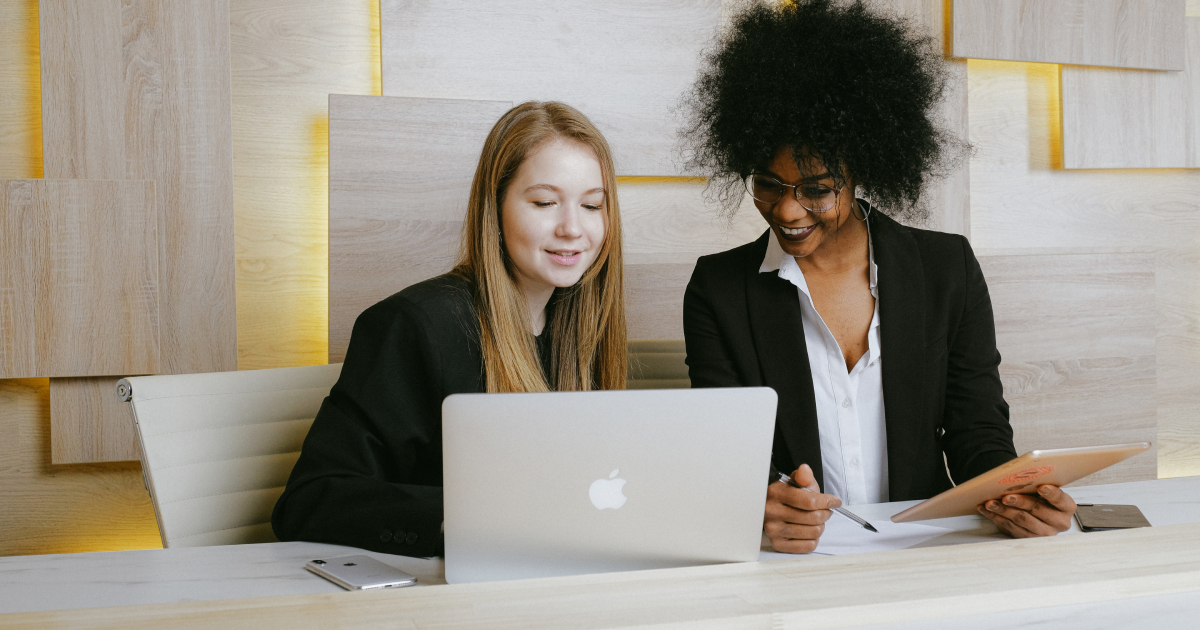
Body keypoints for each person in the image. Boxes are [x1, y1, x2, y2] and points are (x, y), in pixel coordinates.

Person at [679, 0, 1076, 554]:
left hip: (926, 551)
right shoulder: (718, 290)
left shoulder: (946, 269)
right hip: (799, 562)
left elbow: (976, 430)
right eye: (768, 184)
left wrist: (1013, 495)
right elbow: (724, 450)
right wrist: (763, 503)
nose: (788, 211)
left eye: (817, 189)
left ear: (864, 168)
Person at [272, 101, 627, 557]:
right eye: (544, 202)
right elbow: (308, 504)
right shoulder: (413, 326)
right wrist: (470, 517)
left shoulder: (583, 323)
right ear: (494, 207)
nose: (573, 229)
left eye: (592, 205)